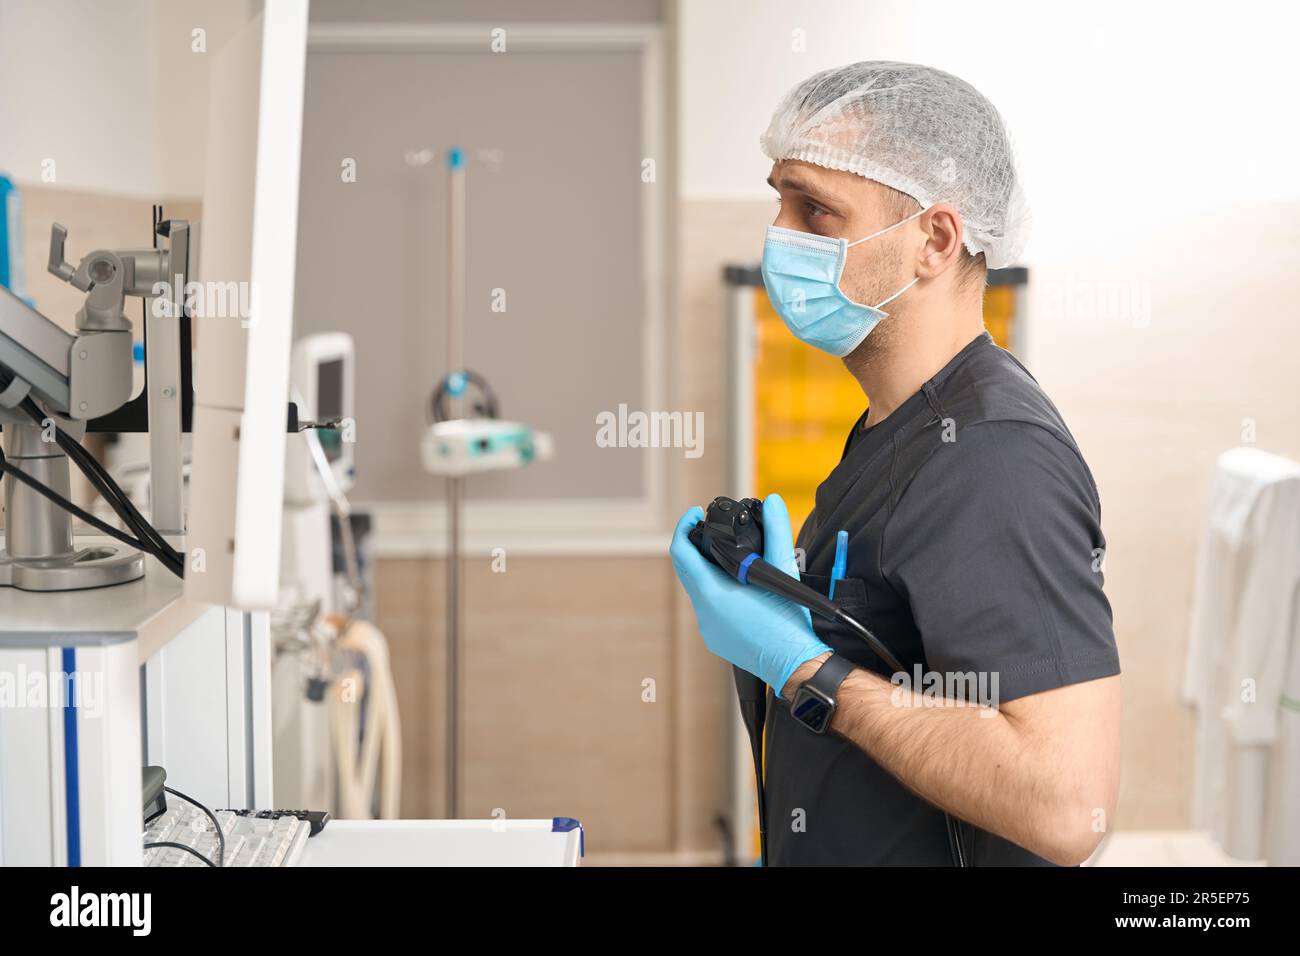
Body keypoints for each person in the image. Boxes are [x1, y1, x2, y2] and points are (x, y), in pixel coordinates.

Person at [671, 62, 1121, 866]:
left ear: (935, 241)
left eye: (815, 209)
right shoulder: (898, 425)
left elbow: (1066, 807)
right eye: (779, 199)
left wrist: (805, 668)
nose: (781, 235)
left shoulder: (991, 455)